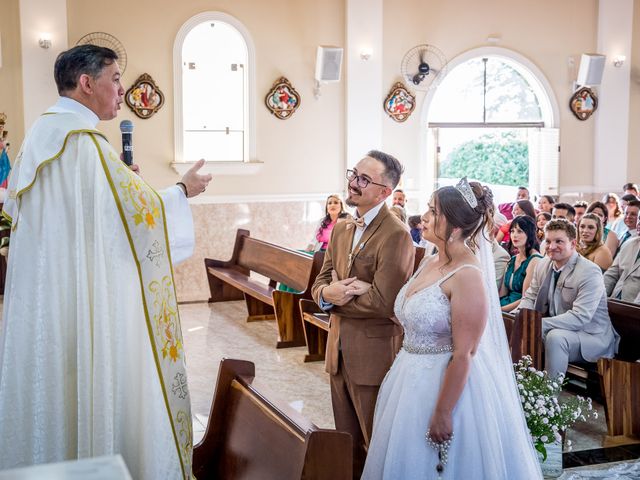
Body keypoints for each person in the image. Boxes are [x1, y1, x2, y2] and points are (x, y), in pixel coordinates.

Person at [0, 45, 212, 479]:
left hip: (52, 302)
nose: (122, 90)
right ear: (86, 83)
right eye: (115, 79)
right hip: (84, 305)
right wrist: (181, 190)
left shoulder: (41, 136)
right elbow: (138, 219)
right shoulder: (84, 143)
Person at [362, 178, 541, 479]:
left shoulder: (468, 275)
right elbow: (414, 312)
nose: (425, 217)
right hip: (408, 378)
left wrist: (443, 411)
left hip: (445, 386)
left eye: (434, 212)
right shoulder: (431, 261)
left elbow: (465, 353)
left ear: (455, 226)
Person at [311, 150, 414, 479]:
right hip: (337, 350)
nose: (353, 184)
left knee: (376, 443)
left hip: (372, 355)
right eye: (353, 174)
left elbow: (385, 302)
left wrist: (334, 297)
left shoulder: (395, 234)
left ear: (384, 191)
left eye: (363, 179)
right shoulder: (341, 228)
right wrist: (330, 293)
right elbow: (320, 282)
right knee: (347, 442)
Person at [518, 219, 618, 378]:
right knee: (518, 328)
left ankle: (549, 394)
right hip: (558, 326)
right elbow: (530, 297)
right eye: (548, 241)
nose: (551, 247)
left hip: (591, 335)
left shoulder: (589, 271)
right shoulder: (543, 264)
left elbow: (581, 317)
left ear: (573, 243)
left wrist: (536, 324)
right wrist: (520, 317)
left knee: (556, 338)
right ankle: (522, 384)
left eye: (559, 241)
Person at [499, 216, 543, 312]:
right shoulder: (513, 259)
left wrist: (500, 310)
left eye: (519, 231)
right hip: (503, 306)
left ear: (530, 234)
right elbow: (502, 293)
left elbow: (526, 300)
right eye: (512, 231)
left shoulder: (535, 260)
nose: (514, 235)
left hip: (518, 311)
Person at [604, 218, 640, 303]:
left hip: (633, 307)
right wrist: (599, 296)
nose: (639, 223)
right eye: (639, 219)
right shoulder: (628, 243)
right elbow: (611, 274)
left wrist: (634, 310)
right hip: (614, 301)